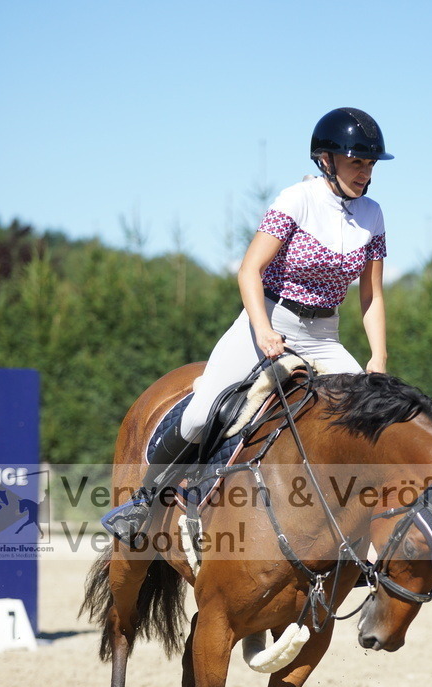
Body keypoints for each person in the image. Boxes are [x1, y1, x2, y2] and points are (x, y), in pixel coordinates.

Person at [103, 106, 394, 544]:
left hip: (324, 337)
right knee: (200, 413)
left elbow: (371, 295)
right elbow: (249, 271)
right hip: (269, 319)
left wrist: (378, 357)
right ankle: (144, 501)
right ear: (326, 159)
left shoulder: (373, 215)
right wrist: (262, 329)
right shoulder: (296, 200)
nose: (365, 172)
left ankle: (370, 535)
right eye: (357, 162)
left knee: (375, 421)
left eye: (370, 164)